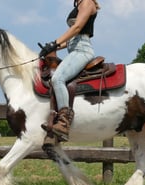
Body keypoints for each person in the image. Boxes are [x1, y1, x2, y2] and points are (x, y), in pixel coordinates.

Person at [39, 0, 100, 141]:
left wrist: (55, 43)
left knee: (57, 79)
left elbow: (77, 28)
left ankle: (64, 123)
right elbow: (71, 39)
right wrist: (52, 47)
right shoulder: (78, 5)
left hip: (82, 50)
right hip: (74, 49)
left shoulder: (87, 2)